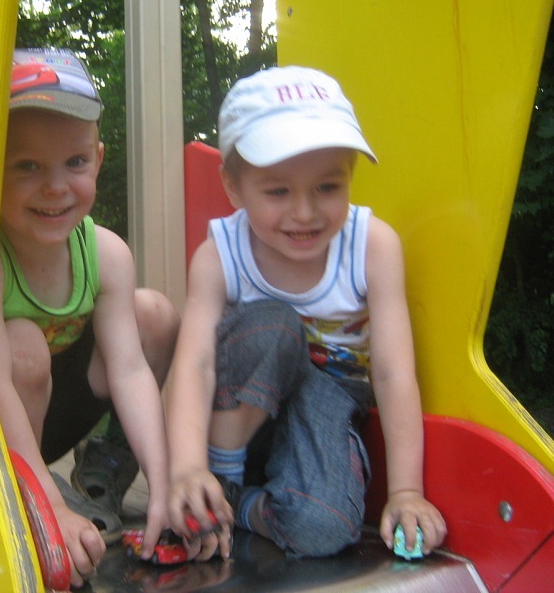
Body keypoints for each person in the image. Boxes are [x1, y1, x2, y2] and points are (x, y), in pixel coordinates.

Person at [165, 65, 447, 561]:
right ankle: (218, 474)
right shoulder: (220, 255)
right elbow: (196, 363)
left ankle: (242, 502)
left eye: (327, 187)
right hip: (239, 411)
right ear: (234, 187)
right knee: (277, 325)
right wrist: (186, 466)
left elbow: (393, 371)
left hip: (325, 403)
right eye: (278, 191)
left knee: (324, 528)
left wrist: (406, 490)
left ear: (350, 177)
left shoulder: (372, 247)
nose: (305, 212)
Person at [0, 47, 178, 587]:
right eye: (27, 166)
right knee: (23, 344)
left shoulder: (106, 253)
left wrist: (165, 483)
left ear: (96, 159)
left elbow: (130, 370)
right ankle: (33, 493)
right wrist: (50, 509)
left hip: (62, 409)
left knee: (154, 313)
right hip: (1, 431)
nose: (56, 187)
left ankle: (107, 469)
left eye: (74, 163)